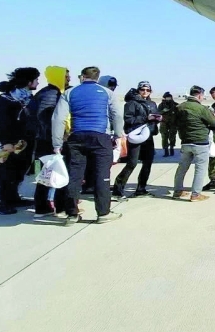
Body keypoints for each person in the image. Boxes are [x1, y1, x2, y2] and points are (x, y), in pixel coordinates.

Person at [52, 66, 125, 224]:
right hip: (100, 137)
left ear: (82, 77)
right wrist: (118, 135)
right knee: (101, 176)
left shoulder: (70, 93)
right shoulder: (108, 93)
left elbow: (58, 118)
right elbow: (117, 115)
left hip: (76, 137)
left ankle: (72, 214)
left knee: (74, 177)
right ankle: (103, 213)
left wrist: (57, 143)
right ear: (97, 78)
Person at [0, 68, 40, 214]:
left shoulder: (29, 99)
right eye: (36, 79)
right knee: (4, 173)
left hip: (24, 143)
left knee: (18, 172)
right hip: (9, 144)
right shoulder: (4, 100)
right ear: (29, 82)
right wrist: (5, 143)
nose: (38, 82)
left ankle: (13, 197)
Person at [29, 66, 72, 217]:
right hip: (49, 142)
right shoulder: (51, 94)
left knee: (46, 175)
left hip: (45, 141)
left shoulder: (51, 92)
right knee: (54, 174)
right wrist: (60, 137)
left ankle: (44, 208)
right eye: (66, 76)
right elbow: (47, 117)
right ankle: (57, 208)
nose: (69, 79)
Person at [113, 81, 161, 198]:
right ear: (138, 90)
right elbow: (128, 119)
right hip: (135, 136)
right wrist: (145, 118)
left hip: (148, 136)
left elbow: (153, 118)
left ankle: (141, 188)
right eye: (142, 89)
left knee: (148, 163)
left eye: (147, 90)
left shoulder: (152, 104)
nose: (145, 92)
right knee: (132, 163)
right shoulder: (131, 103)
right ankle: (118, 189)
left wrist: (156, 120)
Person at [172, 86, 215, 201]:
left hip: (185, 142)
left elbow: (173, 122)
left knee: (182, 167)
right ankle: (195, 194)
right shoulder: (202, 109)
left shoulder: (180, 107)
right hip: (200, 143)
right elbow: (213, 123)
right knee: (200, 168)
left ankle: (177, 191)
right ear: (199, 95)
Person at [158, 92, 178, 156]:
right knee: (164, 137)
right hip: (164, 123)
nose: (168, 99)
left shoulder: (175, 105)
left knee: (172, 136)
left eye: (169, 97)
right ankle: (166, 150)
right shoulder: (161, 105)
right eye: (167, 98)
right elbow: (157, 113)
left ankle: (172, 148)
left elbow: (179, 114)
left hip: (173, 123)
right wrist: (163, 111)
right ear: (164, 98)